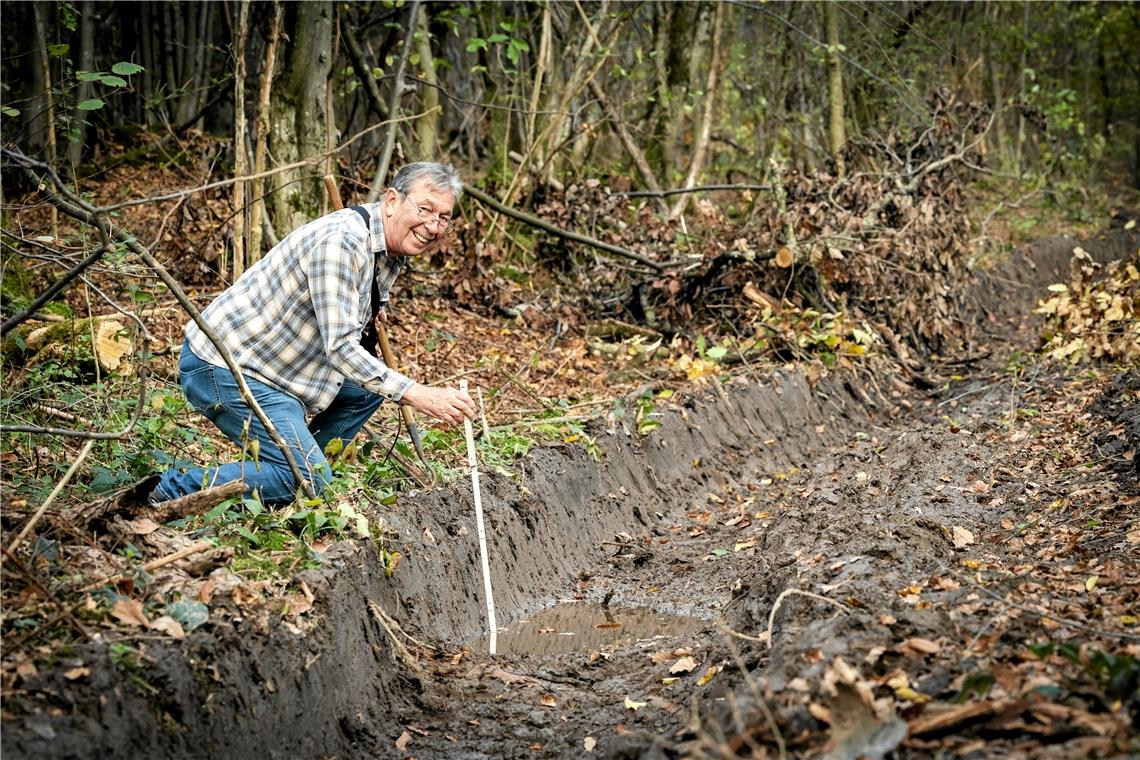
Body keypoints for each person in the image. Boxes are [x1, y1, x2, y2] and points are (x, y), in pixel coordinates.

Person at [147, 162, 476, 505]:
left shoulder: (389, 250)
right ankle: (168, 492)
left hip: (280, 367)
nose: (433, 226)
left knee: (365, 393)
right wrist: (418, 393)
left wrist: (370, 308)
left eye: (444, 216)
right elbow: (341, 349)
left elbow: (353, 310)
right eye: (424, 209)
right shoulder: (343, 243)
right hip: (227, 367)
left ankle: (295, 479)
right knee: (308, 476)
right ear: (392, 200)